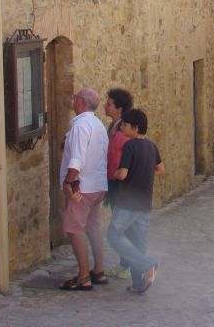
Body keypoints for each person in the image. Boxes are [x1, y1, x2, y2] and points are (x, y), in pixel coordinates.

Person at [107, 108, 165, 294]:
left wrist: (114, 173)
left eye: (124, 124)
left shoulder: (130, 146)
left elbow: (122, 174)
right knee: (139, 242)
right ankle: (138, 283)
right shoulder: (151, 146)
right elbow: (161, 169)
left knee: (114, 235)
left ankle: (148, 264)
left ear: (135, 127)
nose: (122, 127)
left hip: (127, 202)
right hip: (144, 202)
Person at [58, 88, 109, 291]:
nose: (73, 101)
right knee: (93, 227)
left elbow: (76, 160)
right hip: (98, 185)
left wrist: (68, 183)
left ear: (81, 102)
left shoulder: (80, 126)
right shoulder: (98, 124)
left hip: (82, 187)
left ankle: (83, 275)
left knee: (74, 228)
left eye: (74, 98)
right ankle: (99, 270)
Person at [103, 87, 133, 279]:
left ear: (119, 108)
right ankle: (125, 263)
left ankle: (130, 265)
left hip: (122, 183)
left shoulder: (124, 129)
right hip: (114, 182)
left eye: (109, 103)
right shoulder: (114, 126)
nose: (105, 106)